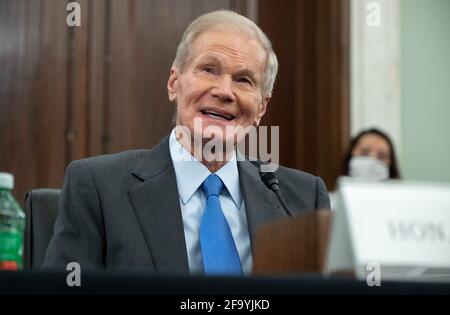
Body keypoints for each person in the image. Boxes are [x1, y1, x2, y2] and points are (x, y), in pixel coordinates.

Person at [42, 10, 330, 275]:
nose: (224, 91)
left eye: (244, 80)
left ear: (261, 108)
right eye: (208, 69)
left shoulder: (304, 199)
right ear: (173, 83)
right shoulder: (97, 187)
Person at [330, 128, 401, 209]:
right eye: (364, 152)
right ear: (350, 156)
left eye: (382, 156)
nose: (372, 160)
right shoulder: (329, 205)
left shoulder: (399, 206)